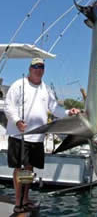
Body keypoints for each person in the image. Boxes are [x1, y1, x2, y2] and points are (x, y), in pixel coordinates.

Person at [4, 58, 80, 213]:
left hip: (37, 137)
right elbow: (8, 106)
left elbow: (54, 108)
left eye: (41, 67)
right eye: (35, 66)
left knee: (29, 169)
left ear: (44, 70)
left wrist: (67, 112)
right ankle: (18, 202)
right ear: (30, 68)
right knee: (20, 169)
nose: (38, 69)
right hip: (20, 136)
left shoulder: (46, 89)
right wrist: (17, 121)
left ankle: (25, 199)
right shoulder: (19, 85)